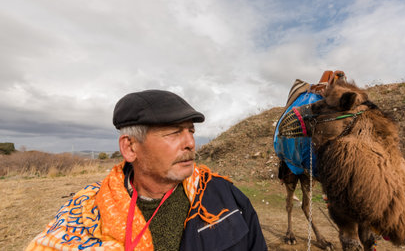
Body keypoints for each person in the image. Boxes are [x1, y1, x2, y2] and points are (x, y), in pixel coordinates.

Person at [27, 90, 267, 251]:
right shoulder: (86, 211)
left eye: (191, 131)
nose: (190, 143)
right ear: (130, 147)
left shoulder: (226, 197)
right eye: (174, 132)